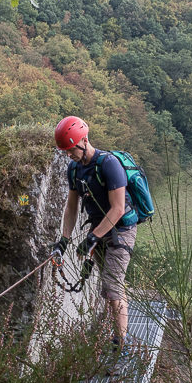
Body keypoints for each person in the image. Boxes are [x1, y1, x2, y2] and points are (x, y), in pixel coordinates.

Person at [50, 115, 137, 357]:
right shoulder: (74, 168)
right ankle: (117, 333)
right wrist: (64, 240)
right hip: (98, 230)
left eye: (70, 149)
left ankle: (120, 345)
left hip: (120, 230)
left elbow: (118, 208)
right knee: (110, 286)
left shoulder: (109, 164)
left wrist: (92, 238)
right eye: (65, 151)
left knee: (111, 288)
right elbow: (71, 207)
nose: (68, 154)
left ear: (84, 140)